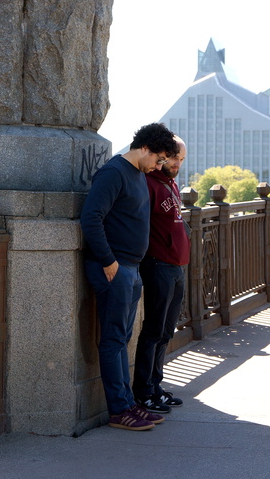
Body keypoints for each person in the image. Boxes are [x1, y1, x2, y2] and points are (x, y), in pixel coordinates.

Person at [80, 123, 179, 431]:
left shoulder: (139, 174)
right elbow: (91, 217)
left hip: (131, 267)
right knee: (113, 339)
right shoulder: (114, 173)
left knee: (123, 338)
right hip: (114, 268)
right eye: (159, 159)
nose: (160, 166)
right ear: (145, 148)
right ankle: (119, 410)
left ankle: (128, 404)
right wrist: (108, 261)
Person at [132, 136, 190, 413]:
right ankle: (143, 392)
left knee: (167, 331)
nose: (177, 164)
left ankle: (156, 386)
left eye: (181, 160)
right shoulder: (149, 183)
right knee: (153, 331)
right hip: (158, 266)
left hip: (177, 267)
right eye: (174, 158)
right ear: (163, 156)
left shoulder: (171, 184)